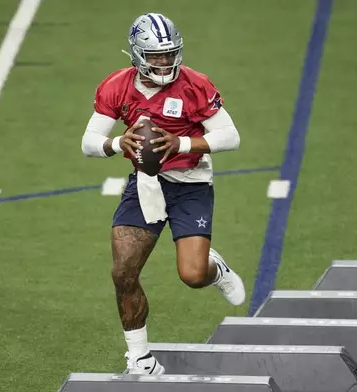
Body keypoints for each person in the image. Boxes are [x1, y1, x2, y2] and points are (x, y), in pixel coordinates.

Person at [81, 12, 246, 375]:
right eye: (157, 55)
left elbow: (231, 136)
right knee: (123, 271)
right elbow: (88, 142)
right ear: (138, 55)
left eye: (170, 54)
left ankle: (215, 270)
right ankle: (140, 357)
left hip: (190, 184)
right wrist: (115, 143)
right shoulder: (117, 85)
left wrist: (182, 142)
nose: (165, 61)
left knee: (191, 275)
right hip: (146, 183)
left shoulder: (195, 84)